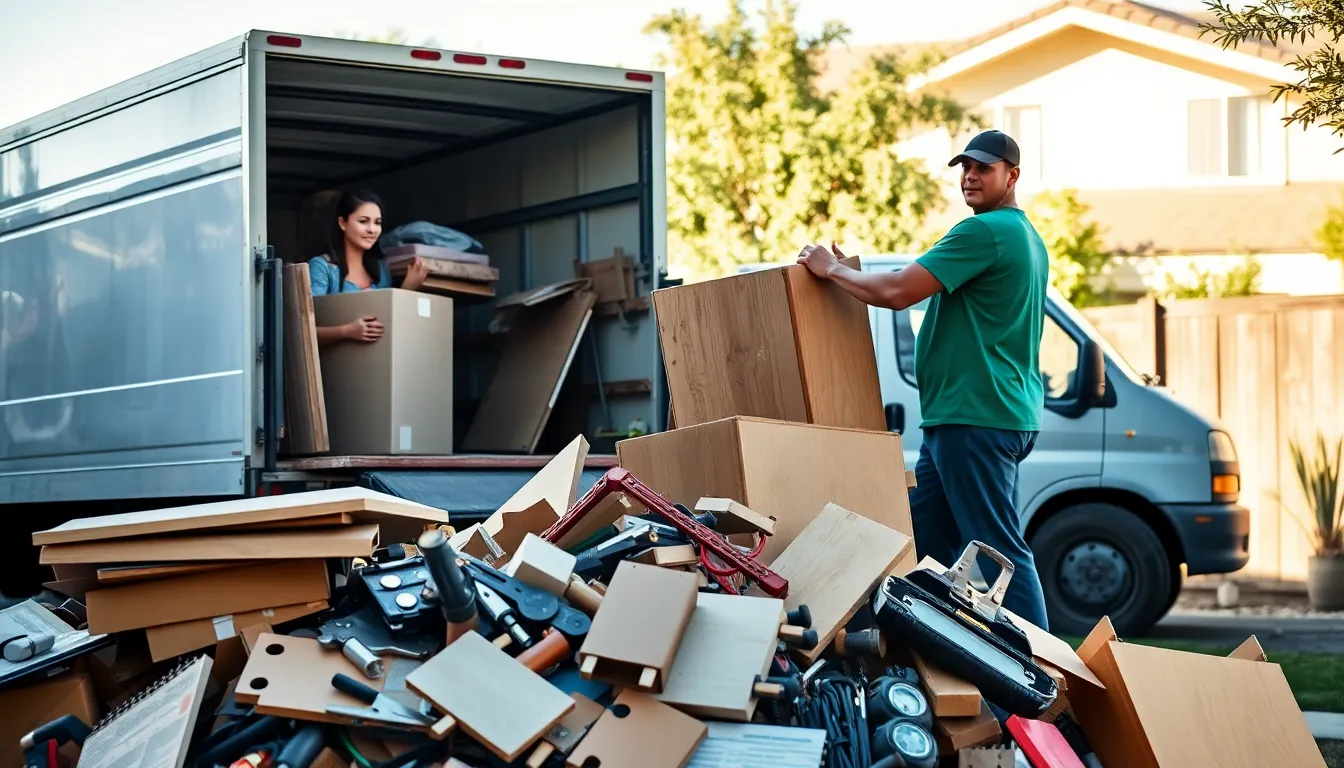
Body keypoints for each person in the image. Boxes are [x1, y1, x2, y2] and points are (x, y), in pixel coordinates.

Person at [795, 129, 1051, 629]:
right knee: (919, 541)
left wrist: (831, 271)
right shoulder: (1026, 237)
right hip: (977, 417)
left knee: (997, 548)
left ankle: (1049, 678)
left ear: (1012, 175)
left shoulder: (986, 232)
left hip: (974, 416)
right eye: (965, 168)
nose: (970, 177)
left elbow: (895, 290)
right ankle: (922, 652)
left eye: (984, 168)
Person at [309, 189, 430, 346]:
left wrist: (407, 289)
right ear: (342, 223)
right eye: (363, 221)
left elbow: (386, 322)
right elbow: (304, 330)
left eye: (377, 223)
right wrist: (347, 331)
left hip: (374, 365)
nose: (372, 230)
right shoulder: (322, 267)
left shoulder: (380, 270)